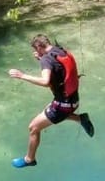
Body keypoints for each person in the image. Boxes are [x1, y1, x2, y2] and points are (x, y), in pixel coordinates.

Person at [7, 34, 94, 168]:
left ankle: (29, 159)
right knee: (47, 113)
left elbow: (45, 81)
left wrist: (22, 75)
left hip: (63, 105)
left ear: (39, 46)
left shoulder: (47, 60)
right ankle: (79, 119)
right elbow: (58, 70)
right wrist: (42, 58)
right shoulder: (60, 51)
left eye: (36, 49)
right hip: (72, 100)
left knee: (33, 128)